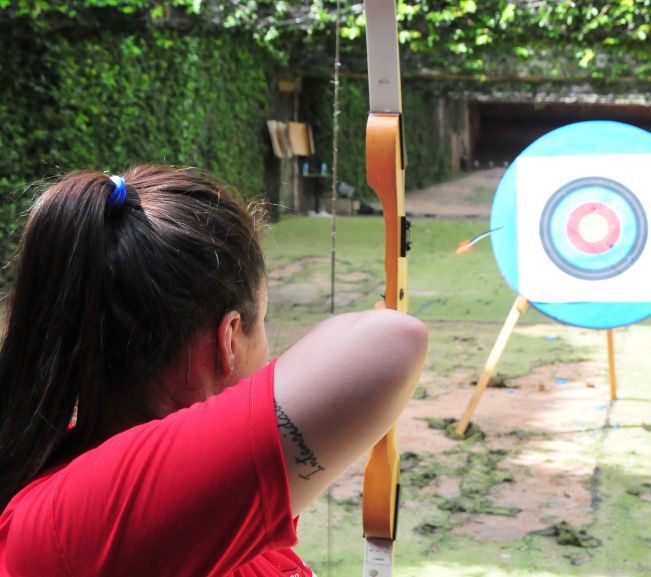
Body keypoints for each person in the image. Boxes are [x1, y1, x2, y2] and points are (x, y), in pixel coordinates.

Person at [0, 165, 428, 576]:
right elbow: (392, 342)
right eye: (262, 323)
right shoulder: (74, 523)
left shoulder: (150, 506)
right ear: (229, 340)